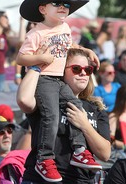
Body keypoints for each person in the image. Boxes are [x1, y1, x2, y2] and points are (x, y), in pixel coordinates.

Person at [16, 0, 101, 182]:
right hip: (43, 80)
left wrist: (85, 50)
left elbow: (69, 45)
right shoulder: (35, 33)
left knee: (76, 106)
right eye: (57, 3)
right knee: (51, 117)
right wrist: (40, 59)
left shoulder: (64, 27)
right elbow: (21, 58)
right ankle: (44, 160)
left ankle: (80, 149)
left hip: (59, 80)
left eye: (66, 5)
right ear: (43, 9)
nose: (63, 7)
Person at [17, 48, 111, 183]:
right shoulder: (46, 99)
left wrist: (84, 125)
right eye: (76, 68)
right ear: (61, 70)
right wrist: (38, 65)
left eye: (88, 69)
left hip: (80, 180)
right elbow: (24, 100)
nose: (83, 73)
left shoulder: (96, 108)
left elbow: (105, 154)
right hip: (42, 179)